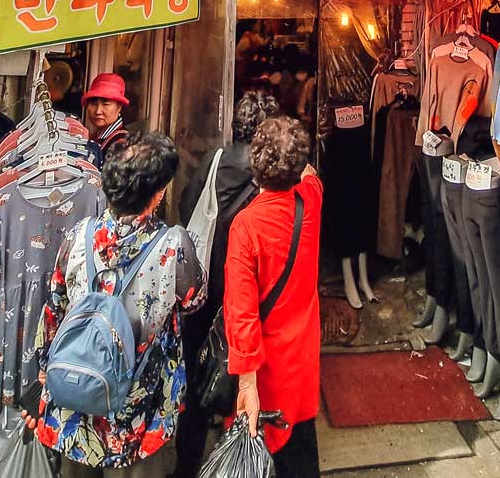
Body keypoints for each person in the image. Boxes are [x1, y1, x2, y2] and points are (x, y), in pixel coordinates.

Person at [26, 131, 206, 476]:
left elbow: (53, 311)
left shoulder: (78, 235)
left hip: (75, 404)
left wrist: (44, 378)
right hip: (139, 412)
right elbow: (193, 302)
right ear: (157, 194)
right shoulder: (174, 245)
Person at [175, 90, 280, 471]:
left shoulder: (214, 160)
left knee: (196, 376)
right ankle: (238, 459)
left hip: (204, 287)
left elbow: (188, 205)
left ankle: (187, 461)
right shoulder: (269, 176)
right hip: (243, 290)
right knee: (241, 375)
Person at [225, 117, 322, 478]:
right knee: (301, 446)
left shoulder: (246, 226)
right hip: (301, 354)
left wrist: (246, 382)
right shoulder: (310, 200)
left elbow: (241, 311)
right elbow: (310, 174)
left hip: (265, 367)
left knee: (265, 454)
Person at [82, 73, 130, 166]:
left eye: (106, 104)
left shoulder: (121, 144)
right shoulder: (96, 137)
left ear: (119, 107)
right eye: (94, 104)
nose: (98, 111)